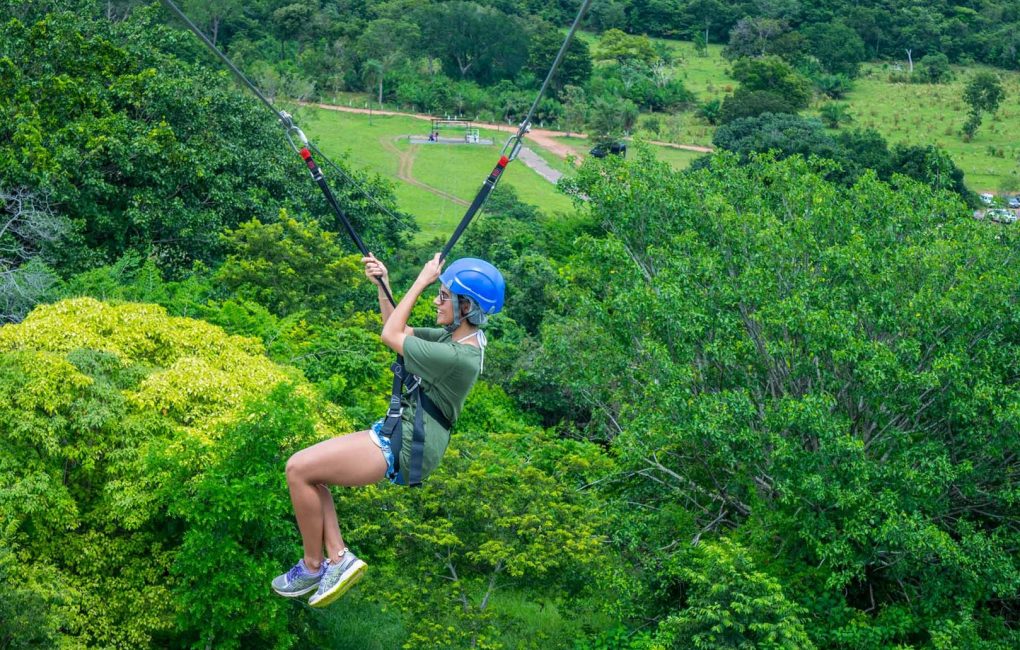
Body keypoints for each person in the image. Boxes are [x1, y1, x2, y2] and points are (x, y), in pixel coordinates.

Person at [271, 252, 505, 608]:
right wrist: (384, 286)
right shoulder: (454, 341)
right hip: (401, 431)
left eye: (443, 296)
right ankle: (336, 559)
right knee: (311, 474)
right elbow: (400, 330)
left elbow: (389, 334)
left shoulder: (457, 357)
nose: (436, 301)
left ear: (467, 306)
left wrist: (422, 279)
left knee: (297, 469)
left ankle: (314, 564)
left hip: (409, 440)